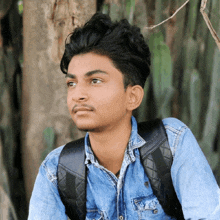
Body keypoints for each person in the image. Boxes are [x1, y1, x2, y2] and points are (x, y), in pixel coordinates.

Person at [28, 12, 220, 220]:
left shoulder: (171, 144)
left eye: (95, 81)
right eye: (71, 83)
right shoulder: (55, 171)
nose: (78, 95)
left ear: (133, 97)